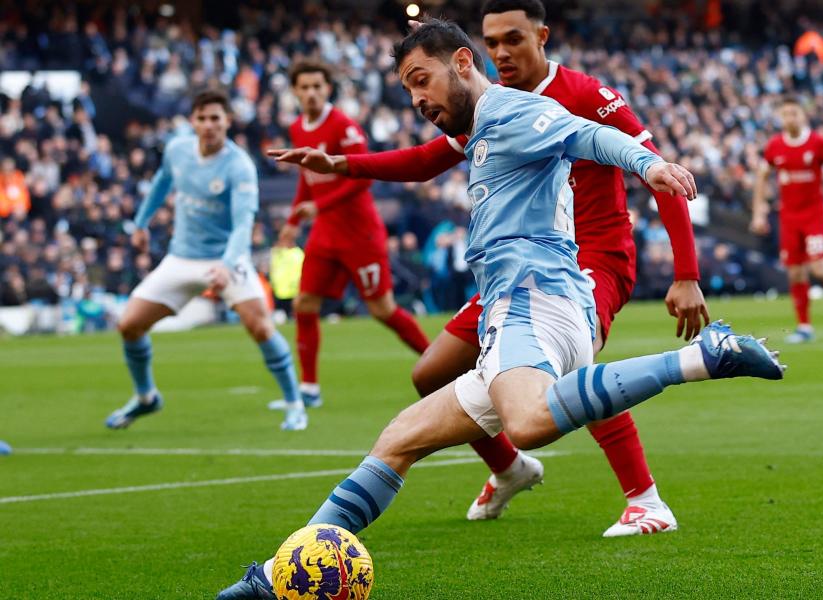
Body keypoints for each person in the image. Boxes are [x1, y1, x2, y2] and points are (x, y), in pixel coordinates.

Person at [217, 20, 783, 599]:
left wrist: (648, 166)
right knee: (398, 440)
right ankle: (278, 575)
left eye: (422, 81)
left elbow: (585, 135)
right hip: (507, 314)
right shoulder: (480, 126)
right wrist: (342, 165)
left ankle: (700, 359)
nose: (416, 100)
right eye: (408, 90)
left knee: (529, 423)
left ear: (462, 62)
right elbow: (420, 159)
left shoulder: (513, 111)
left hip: (538, 299)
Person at [271, 0, 709, 538]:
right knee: (431, 373)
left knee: (568, 368)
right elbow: (427, 159)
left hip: (588, 257)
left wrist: (686, 272)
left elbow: (636, 158)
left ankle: (645, 498)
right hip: (509, 271)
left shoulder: (581, 97)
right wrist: (341, 164)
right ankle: (509, 467)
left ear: (541, 37)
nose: (500, 52)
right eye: (492, 41)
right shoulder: (483, 109)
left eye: (513, 39)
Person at [105, 89, 306, 432]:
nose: (209, 125)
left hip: (226, 258)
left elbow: (244, 222)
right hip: (182, 257)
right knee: (130, 325)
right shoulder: (177, 149)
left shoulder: (239, 165)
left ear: (228, 121)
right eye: (202, 118)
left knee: (260, 327)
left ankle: (294, 403)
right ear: (192, 122)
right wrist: (140, 222)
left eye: (216, 118)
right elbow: (160, 184)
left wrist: (227, 265)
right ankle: (146, 397)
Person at [268, 61, 430, 411]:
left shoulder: (344, 126)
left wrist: (319, 206)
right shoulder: (297, 127)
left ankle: (439, 362)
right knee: (304, 304)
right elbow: (306, 178)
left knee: (382, 309)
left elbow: (364, 177)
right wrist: (295, 219)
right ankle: (309, 389)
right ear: (294, 91)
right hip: (325, 234)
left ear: (327, 89)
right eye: (304, 87)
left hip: (359, 234)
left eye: (317, 86)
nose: (311, 93)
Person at [751, 97, 823, 343]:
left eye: (794, 113)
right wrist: (759, 211)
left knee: (819, 269)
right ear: (780, 118)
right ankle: (804, 326)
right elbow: (761, 176)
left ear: (803, 116)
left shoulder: (817, 143)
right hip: (788, 217)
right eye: (786, 114)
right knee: (796, 273)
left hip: (814, 216)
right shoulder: (775, 145)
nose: (790, 118)